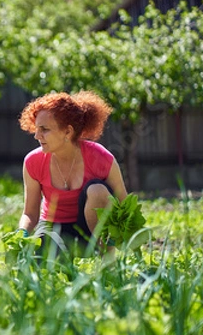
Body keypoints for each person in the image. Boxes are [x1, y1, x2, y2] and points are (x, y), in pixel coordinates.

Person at [16, 91, 128, 256]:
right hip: (53, 228)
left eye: (44, 129)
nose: (37, 135)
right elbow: (30, 213)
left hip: (91, 231)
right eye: (36, 128)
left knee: (96, 190)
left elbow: (124, 205)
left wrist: (118, 236)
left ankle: (107, 259)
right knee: (39, 266)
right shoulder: (33, 161)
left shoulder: (101, 158)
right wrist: (22, 233)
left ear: (68, 132)